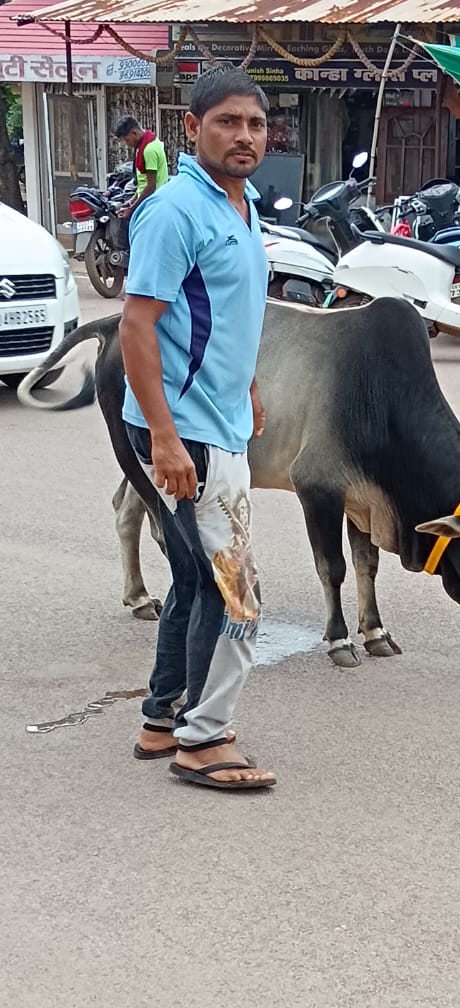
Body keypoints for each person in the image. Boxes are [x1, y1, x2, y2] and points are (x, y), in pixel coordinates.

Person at [118, 67, 276, 791]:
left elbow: (219, 315)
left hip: (222, 419)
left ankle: (163, 717)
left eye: (255, 124)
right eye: (227, 122)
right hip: (190, 435)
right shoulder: (176, 209)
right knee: (234, 589)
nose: (244, 136)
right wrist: (166, 437)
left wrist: (247, 387)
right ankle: (203, 739)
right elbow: (137, 326)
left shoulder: (242, 208)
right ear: (191, 127)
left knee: (191, 579)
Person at [114, 116, 168, 220]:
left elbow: (151, 187)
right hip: (147, 201)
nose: (127, 144)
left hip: (151, 204)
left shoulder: (149, 150)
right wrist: (131, 201)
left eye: (127, 140)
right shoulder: (148, 143)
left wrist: (132, 209)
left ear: (134, 133)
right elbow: (142, 184)